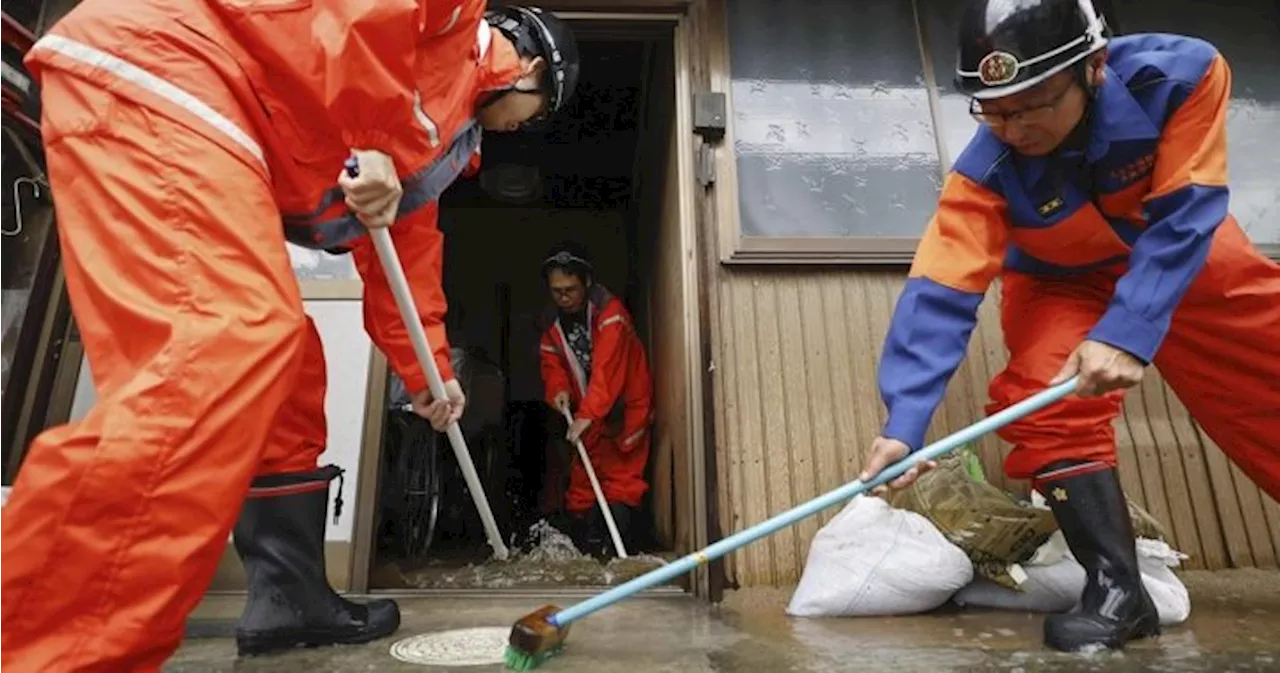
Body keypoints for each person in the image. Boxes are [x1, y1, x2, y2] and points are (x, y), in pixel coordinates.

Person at [0, 1, 578, 670]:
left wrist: (428, 375)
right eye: (533, 116)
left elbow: (404, 253)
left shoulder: (446, 140)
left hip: (217, 117)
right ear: (532, 71)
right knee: (222, 342)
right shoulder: (455, 23)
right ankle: (46, 643)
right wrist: (373, 137)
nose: (518, 129)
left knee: (289, 367)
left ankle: (288, 596)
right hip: (168, 67)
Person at [856, 0, 1280, 654]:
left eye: (1031, 105)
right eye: (992, 110)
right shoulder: (984, 172)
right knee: (1036, 396)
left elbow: (1188, 204)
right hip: (1060, 277)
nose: (1012, 127)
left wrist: (1129, 329)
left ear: (1094, 68)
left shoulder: (1181, 75)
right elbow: (940, 289)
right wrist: (903, 423)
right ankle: (1117, 590)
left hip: (1178, 245)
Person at [537, 243, 654, 558]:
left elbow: (607, 370)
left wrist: (587, 414)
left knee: (621, 483)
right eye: (556, 291)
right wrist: (558, 392)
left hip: (621, 413)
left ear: (587, 282)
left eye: (570, 289)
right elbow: (553, 366)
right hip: (589, 415)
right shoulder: (552, 324)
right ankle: (590, 558)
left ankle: (618, 558)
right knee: (583, 489)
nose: (564, 297)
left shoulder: (611, 314)